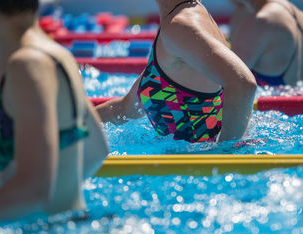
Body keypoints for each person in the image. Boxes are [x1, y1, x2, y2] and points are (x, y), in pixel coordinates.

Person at [0, 0, 109, 228]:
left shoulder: (28, 65)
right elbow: (96, 151)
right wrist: (62, 197)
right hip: (64, 231)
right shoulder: (56, 55)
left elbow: (35, 188)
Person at [97, 0, 257, 143]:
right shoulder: (180, 20)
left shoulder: (180, 25)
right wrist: (79, 119)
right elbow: (125, 108)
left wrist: (224, 154)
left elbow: (243, 84)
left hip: (196, 172)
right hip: (190, 167)